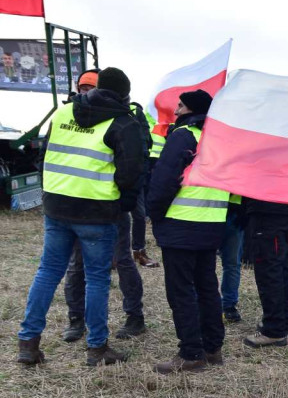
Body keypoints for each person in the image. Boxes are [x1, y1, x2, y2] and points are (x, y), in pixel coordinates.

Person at [16, 67, 144, 367]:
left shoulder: (63, 113)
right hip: (97, 213)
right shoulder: (123, 122)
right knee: (97, 279)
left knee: (47, 272)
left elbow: (45, 154)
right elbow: (132, 173)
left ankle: (28, 343)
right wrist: (123, 204)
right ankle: (97, 348)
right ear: (125, 94)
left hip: (57, 206)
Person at [60, 70, 147, 343]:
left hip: (111, 204)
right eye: (83, 87)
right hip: (76, 203)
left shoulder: (127, 117)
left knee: (122, 259)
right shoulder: (70, 114)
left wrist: (124, 201)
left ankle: (135, 317)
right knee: (78, 265)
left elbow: (136, 159)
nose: (86, 92)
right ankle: (76, 320)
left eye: (91, 87)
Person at [148, 90, 227, 373]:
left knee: (181, 291)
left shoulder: (183, 135)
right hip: (212, 224)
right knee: (207, 288)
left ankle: (191, 353)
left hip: (181, 224)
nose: (176, 109)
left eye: (180, 105)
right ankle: (213, 348)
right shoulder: (219, 140)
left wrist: (154, 213)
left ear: (190, 109)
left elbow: (164, 179)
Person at [243, 197, 288, 347]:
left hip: (270, 210)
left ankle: (274, 330)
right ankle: (281, 323)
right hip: (287, 208)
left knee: (270, 270)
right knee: (280, 268)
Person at [130, 105, 159, 268]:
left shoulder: (135, 112)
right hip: (112, 174)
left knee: (139, 215)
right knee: (113, 217)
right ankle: (112, 255)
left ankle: (139, 252)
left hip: (135, 174)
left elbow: (146, 142)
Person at [220, 194, 244, 323]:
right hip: (210, 212)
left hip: (234, 212)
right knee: (232, 264)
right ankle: (228, 306)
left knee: (232, 264)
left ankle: (229, 305)